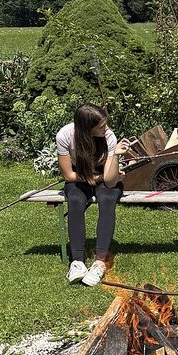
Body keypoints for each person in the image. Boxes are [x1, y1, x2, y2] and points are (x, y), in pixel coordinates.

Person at [57, 103, 129, 286]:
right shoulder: (65, 135)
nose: (106, 128)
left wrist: (116, 156)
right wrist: (93, 178)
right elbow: (68, 175)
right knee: (75, 199)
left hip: (104, 176)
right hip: (79, 176)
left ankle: (100, 262)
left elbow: (110, 182)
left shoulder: (109, 137)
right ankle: (77, 262)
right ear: (87, 128)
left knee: (107, 198)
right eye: (101, 126)